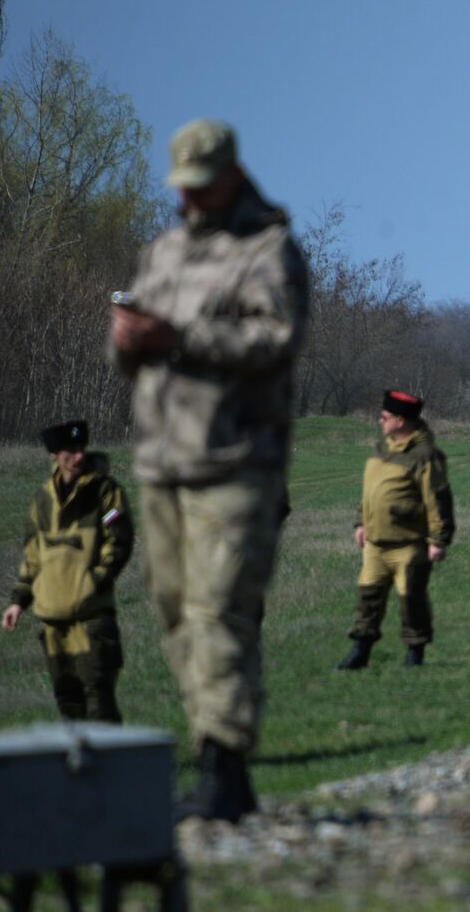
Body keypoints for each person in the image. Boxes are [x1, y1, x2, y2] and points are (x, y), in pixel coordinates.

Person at [108, 119, 308, 823]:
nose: (190, 200)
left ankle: (226, 767)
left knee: (219, 609)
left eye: (202, 186)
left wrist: (179, 335)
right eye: (182, 188)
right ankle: (211, 749)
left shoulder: (267, 250)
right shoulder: (162, 252)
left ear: (230, 176)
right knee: (172, 609)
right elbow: (136, 349)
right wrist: (129, 344)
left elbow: (276, 337)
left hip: (235, 461)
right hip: (163, 459)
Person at [3, 421, 133, 723]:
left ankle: (111, 765)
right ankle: (76, 767)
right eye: (69, 451)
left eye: (81, 449)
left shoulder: (105, 492)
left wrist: (94, 581)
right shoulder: (42, 500)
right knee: (67, 700)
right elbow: (33, 556)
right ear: (54, 455)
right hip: (52, 621)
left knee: (98, 697)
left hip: (91, 618)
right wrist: (17, 602)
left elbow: (120, 542)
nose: (78, 457)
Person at [337, 391, 454, 670]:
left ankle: (415, 655)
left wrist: (438, 540)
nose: (380, 420)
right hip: (375, 544)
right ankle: (360, 652)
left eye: (385, 416)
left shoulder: (426, 456)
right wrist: (361, 523)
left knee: (411, 599)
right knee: (368, 598)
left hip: (408, 544)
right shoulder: (382, 449)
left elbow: (437, 499)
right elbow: (370, 492)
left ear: (401, 420)